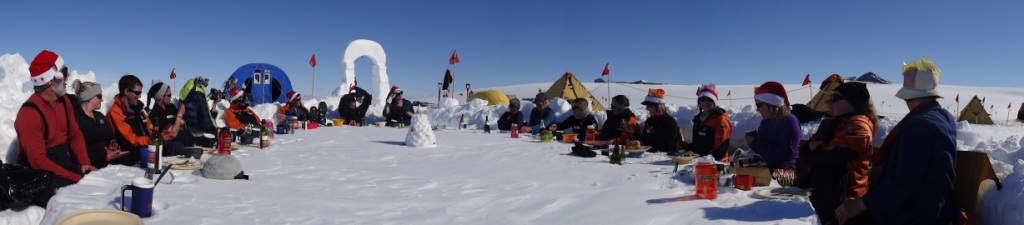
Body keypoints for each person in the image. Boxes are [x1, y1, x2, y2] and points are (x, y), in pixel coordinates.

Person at [836, 58, 959, 225]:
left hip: (918, 214)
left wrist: (859, 204)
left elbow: (904, 182)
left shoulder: (919, 126)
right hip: (938, 207)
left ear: (908, 97)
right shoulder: (944, 117)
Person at [14, 50, 97, 206]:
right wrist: (76, 178)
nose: (68, 76)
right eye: (64, 72)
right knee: (80, 199)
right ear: (52, 80)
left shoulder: (64, 102)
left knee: (96, 185)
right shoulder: (29, 114)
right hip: (39, 174)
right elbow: (38, 162)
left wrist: (84, 163)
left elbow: (75, 134)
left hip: (61, 163)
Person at [799, 82, 876, 223]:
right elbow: (806, 153)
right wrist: (809, 148)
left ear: (850, 103)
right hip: (826, 195)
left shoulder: (859, 127)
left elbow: (826, 160)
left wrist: (811, 151)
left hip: (846, 204)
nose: (828, 101)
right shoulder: (833, 123)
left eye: (834, 97)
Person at [71, 80, 128, 169]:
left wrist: (113, 148)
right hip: (92, 167)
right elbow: (77, 151)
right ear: (89, 97)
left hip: (109, 163)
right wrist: (106, 155)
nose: (102, 99)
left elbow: (111, 137)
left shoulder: (100, 116)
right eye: (99, 96)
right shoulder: (76, 118)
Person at [747, 81, 801, 174]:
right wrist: (752, 142)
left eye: (759, 105)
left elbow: (785, 154)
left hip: (785, 173)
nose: (757, 109)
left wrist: (756, 142)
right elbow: (763, 149)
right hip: (766, 168)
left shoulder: (790, 122)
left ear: (771, 104)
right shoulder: (766, 122)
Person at [148, 81, 202, 158]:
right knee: (178, 146)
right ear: (161, 97)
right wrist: (179, 115)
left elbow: (182, 122)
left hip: (186, 140)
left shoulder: (170, 107)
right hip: (172, 146)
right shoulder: (156, 113)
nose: (171, 97)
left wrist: (178, 121)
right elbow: (172, 134)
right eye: (169, 95)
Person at [107, 74, 150, 166]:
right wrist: (153, 141)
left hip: (146, 146)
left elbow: (150, 127)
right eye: (137, 93)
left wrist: (159, 137)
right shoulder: (115, 112)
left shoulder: (138, 109)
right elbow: (131, 140)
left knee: (175, 145)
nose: (139, 96)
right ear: (126, 91)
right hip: (131, 152)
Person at [690, 83, 733, 162]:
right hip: (700, 162)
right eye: (703, 99)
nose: (706, 103)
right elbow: (697, 146)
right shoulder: (698, 119)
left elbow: (721, 150)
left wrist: (703, 160)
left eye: (709, 100)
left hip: (717, 164)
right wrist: (685, 147)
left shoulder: (721, 120)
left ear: (714, 102)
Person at [639, 89, 681, 153]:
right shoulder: (649, 121)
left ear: (658, 106)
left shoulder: (670, 122)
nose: (647, 108)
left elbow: (668, 147)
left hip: (663, 159)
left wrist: (649, 149)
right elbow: (644, 140)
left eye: (649, 106)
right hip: (647, 156)